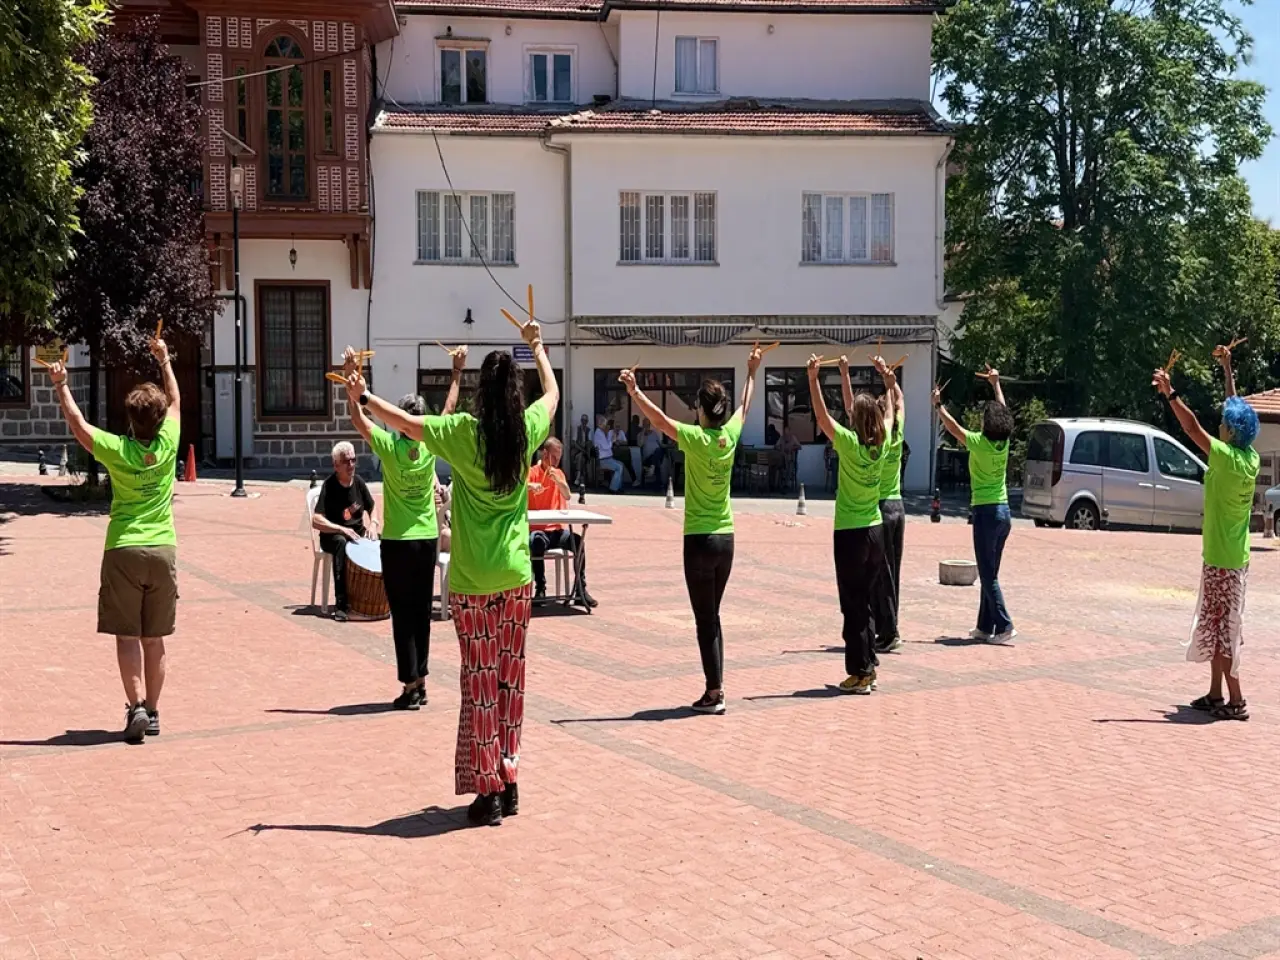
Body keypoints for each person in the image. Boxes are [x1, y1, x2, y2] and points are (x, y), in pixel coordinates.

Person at [346, 313, 556, 826]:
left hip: (472, 582)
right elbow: (550, 395)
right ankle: (509, 779)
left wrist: (364, 396)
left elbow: (408, 424)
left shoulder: (465, 434)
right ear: (515, 395)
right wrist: (538, 345)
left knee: (480, 685)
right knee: (511, 681)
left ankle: (488, 790)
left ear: (483, 393)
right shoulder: (525, 431)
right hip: (515, 579)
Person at [47, 337, 181, 744]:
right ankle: (154, 712)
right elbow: (176, 399)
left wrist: (61, 385)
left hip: (123, 547)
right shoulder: (169, 441)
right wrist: (164, 359)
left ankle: (136, 706)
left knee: (127, 636)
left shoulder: (118, 449)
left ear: (131, 418)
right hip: (163, 548)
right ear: (158, 420)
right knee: (154, 637)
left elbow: (79, 427)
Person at [619, 343, 763, 714]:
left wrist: (634, 392)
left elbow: (659, 421)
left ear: (701, 409)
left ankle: (714, 693)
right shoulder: (728, 436)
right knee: (713, 615)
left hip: (698, 540)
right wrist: (751, 371)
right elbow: (746, 407)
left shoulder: (697, 439)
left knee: (705, 619)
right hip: (726, 539)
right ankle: (717, 687)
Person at [344, 344, 463, 709]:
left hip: (397, 540)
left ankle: (410, 686)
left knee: (402, 616)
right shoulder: (429, 444)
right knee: (421, 614)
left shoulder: (390, 444)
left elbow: (359, 422)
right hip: (427, 538)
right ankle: (422, 681)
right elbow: (449, 409)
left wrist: (352, 389)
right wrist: (457, 372)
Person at [1153, 343, 1259, 721]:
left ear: (1230, 432)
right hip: (1229, 558)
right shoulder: (1249, 456)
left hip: (1224, 561)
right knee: (1216, 625)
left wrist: (1171, 394)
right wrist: (1228, 369)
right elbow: (1237, 408)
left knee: (1225, 629)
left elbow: (1191, 426)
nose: (1221, 422)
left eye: (1225, 422)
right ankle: (1216, 696)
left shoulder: (1227, 458)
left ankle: (1236, 700)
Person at [812, 354, 893, 694]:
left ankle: (859, 673)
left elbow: (822, 416)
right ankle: (870, 666)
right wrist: (889, 383)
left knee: (853, 604)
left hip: (850, 534)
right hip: (875, 531)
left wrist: (813, 379)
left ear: (856, 420)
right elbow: (890, 412)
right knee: (867, 600)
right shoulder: (884, 442)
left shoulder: (848, 443)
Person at [934, 365, 1015, 643]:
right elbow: (1003, 409)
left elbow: (953, 428)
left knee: (987, 574)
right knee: (990, 570)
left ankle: (1005, 625)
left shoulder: (979, 442)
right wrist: (995, 383)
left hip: (985, 512)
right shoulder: (1002, 442)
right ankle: (985, 626)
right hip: (1004, 513)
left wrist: (938, 407)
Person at [842, 357, 905, 653]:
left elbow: (850, 408)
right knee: (892, 572)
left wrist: (844, 373)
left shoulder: (867, 441)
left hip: (879, 507)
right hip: (898, 505)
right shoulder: (891, 433)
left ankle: (889, 630)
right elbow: (898, 403)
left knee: (881, 576)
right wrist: (888, 380)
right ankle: (888, 627)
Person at [311, 441, 378, 622]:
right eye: (346, 461)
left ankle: (377, 600)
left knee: (381, 543)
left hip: (357, 534)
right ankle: (341, 604)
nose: (351, 465)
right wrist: (341, 529)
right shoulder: (329, 486)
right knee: (341, 543)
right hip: (332, 537)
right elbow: (316, 520)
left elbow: (372, 507)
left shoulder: (359, 483)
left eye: (353, 460)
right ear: (336, 465)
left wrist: (373, 524)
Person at [528, 437, 595, 607]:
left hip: (556, 531)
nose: (556, 462)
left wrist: (559, 481)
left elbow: (567, 495)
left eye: (559, 458)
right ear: (545, 454)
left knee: (578, 541)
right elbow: (520, 487)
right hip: (538, 530)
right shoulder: (532, 472)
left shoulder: (558, 473)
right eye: (554, 457)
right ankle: (540, 587)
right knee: (535, 541)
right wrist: (531, 486)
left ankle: (580, 589)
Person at [592, 414, 624, 493]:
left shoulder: (601, 433)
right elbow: (606, 446)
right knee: (619, 467)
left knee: (621, 464)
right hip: (604, 460)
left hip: (608, 458)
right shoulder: (598, 434)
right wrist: (612, 440)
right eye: (604, 424)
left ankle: (618, 487)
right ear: (600, 424)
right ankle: (613, 489)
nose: (606, 426)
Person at [640, 418, 666, 487]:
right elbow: (640, 444)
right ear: (643, 425)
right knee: (656, 461)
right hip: (647, 458)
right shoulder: (640, 435)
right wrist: (643, 433)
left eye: (648, 425)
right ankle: (659, 482)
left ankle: (652, 467)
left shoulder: (654, 433)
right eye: (645, 425)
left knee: (658, 451)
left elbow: (661, 445)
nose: (646, 426)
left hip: (657, 454)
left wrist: (671, 445)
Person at [571, 413, 592, 485]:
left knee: (582, 458)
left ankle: (578, 477)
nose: (584, 422)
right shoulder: (577, 429)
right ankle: (579, 477)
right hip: (578, 451)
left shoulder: (589, 430)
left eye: (585, 420)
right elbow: (574, 443)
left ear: (587, 421)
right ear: (581, 421)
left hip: (585, 452)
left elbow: (589, 442)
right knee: (580, 456)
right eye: (583, 420)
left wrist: (586, 450)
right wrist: (582, 450)